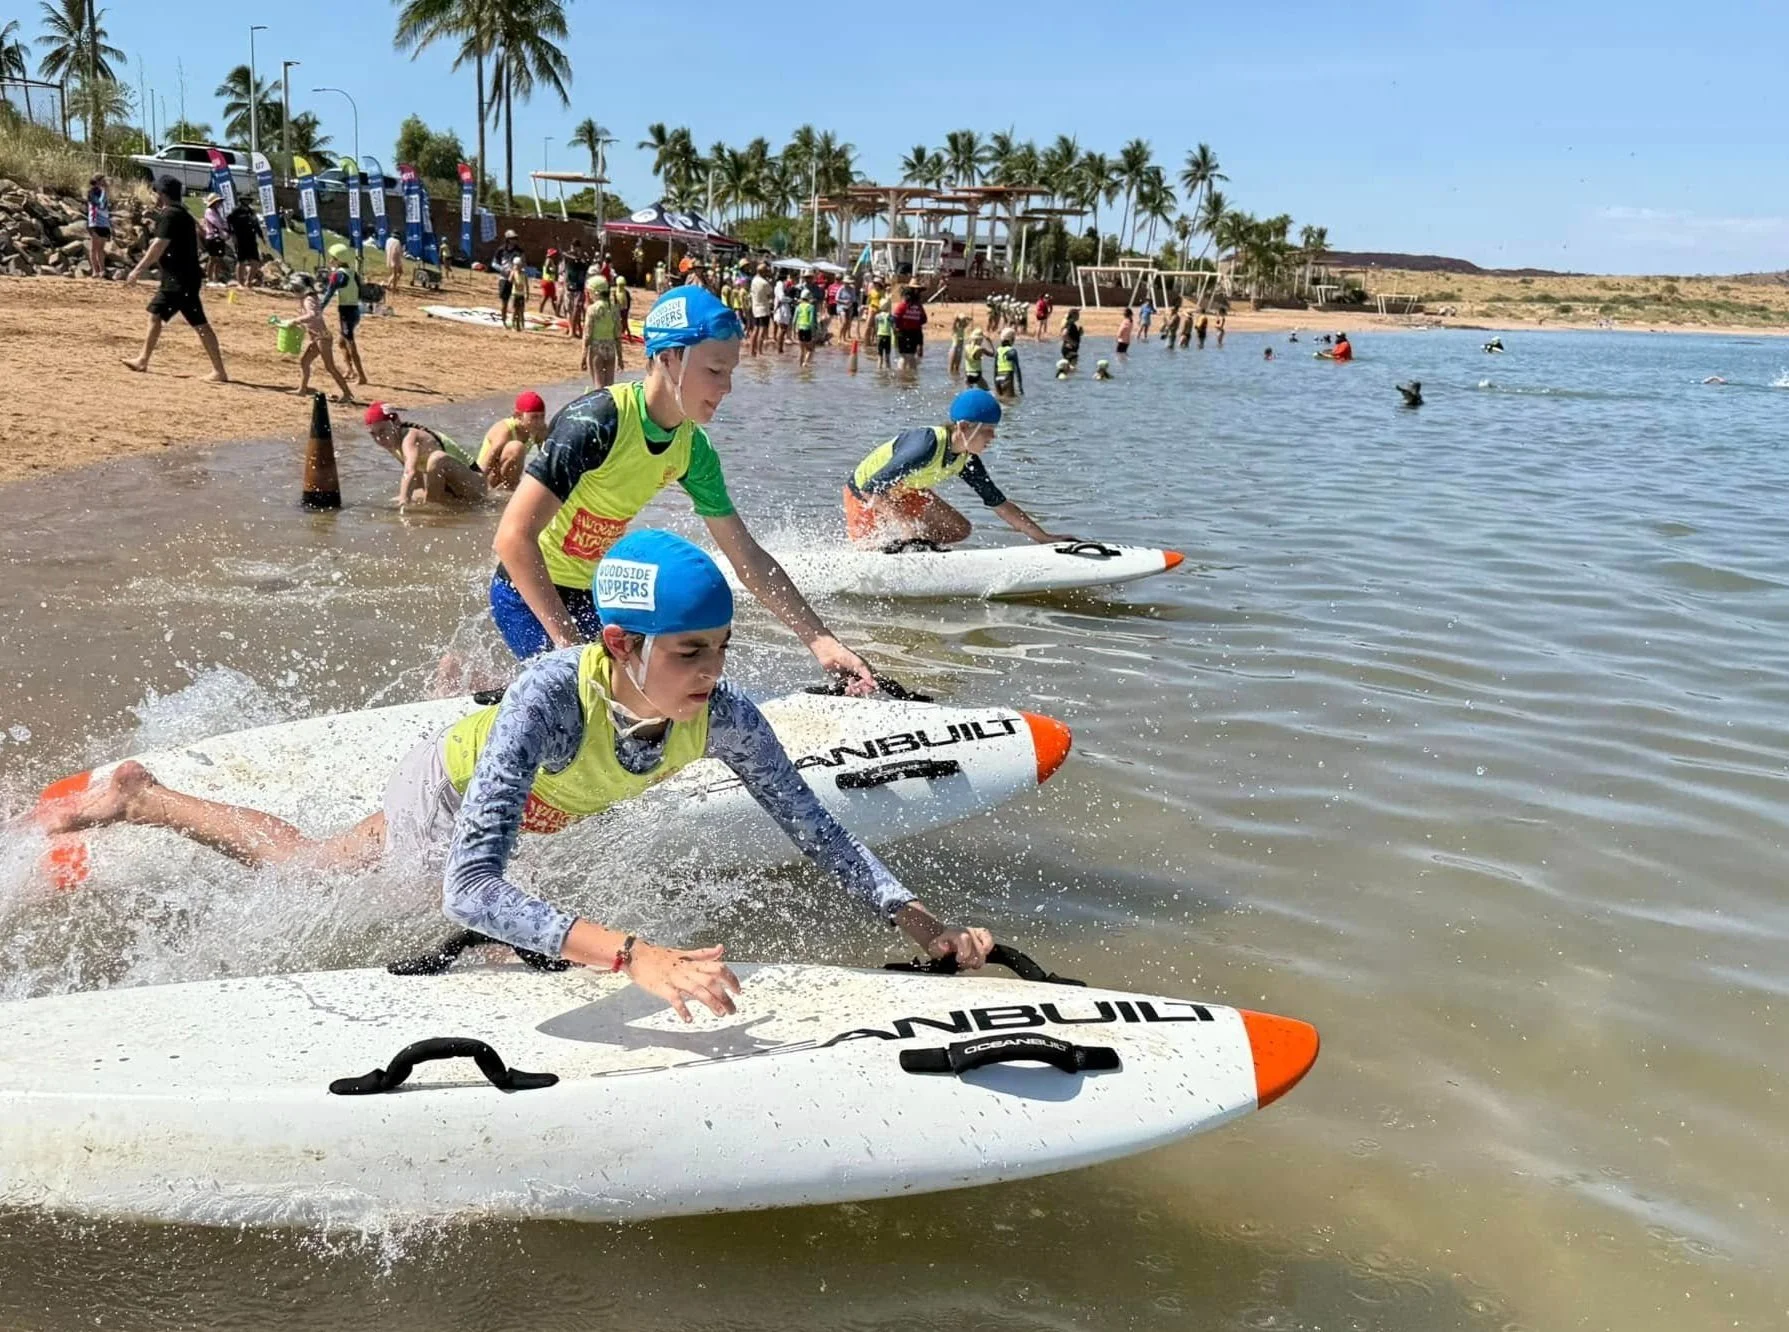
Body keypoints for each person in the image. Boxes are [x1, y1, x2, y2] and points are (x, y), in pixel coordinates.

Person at [35, 531, 999, 1018]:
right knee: (387, 903)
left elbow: (815, 828)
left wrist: (917, 921)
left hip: (523, 810)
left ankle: (141, 795)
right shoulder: (548, 697)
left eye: (721, 648)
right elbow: (472, 886)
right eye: (689, 653)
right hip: (445, 795)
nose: (713, 674)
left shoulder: (726, 716)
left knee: (327, 860)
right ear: (619, 643)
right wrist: (633, 956)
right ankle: (142, 799)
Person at [487, 285, 877, 692]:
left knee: (667, 692)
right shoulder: (596, 423)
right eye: (715, 371)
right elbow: (512, 538)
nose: (727, 387)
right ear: (668, 358)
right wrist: (570, 649)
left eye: (730, 372)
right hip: (527, 593)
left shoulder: (693, 449)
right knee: (590, 697)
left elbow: (747, 557)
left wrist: (821, 641)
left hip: (598, 596)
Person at [842, 389, 1075, 550]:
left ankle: (915, 550)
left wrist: (1044, 538)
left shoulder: (967, 459)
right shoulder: (925, 445)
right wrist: (907, 528)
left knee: (958, 529)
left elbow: (1000, 505)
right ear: (963, 427)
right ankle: (901, 546)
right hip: (863, 494)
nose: (993, 437)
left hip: (904, 491)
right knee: (871, 550)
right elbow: (871, 488)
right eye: (987, 431)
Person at [121, 177, 228, 383]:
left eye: (156, 193)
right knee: (198, 323)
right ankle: (218, 370)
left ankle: (143, 360)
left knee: (157, 314)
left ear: (162, 194)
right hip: (186, 277)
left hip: (178, 279)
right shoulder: (184, 215)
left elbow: (159, 245)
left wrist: (137, 270)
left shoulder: (169, 215)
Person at [365, 402, 485, 506]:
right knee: (396, 501)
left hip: (476, 485)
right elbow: (417, 483)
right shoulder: (392, 442)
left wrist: (404, 501)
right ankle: (435, 508)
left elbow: (409, 472)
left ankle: (433, 511)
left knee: (437, 458)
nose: (379, 438)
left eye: (382, 431)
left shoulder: (409, 438)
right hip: (453, 488)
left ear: (396, 423)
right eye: (373, 434)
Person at [286, 273, 359, 404]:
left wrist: (295, 320)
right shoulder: (309, 298)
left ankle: (347, 394)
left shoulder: (308, 299)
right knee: (304, 362)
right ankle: (302, 389)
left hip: (322, 337)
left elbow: (312, 315)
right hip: (317, 337)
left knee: (330, 367)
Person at [478, 391, 551, 490]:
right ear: (518, 415)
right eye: (534, 417)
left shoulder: (539, 430)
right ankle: (508, 492)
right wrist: (477, 487)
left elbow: (547, 461)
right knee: (516, 447)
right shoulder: (505, 430)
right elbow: (484, 465)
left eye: (542, 416)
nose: (539, 422)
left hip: (507, 479)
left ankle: (511, 491)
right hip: (487, 478)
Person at [325, 244, 369, 386]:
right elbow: (360, 291)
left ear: (338, 260)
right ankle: (350, 370)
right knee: (341, 342)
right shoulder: (353, 273)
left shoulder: (338, 275)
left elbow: (329, 294)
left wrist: (318, 309)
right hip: (355, 311)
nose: (330, 260)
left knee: (350, 343)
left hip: (346, 312)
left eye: (332, 258)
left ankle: (362, 376)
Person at [583, 274, 624, 389]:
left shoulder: (592, 309)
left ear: (595, 292)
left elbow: (587, 334)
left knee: (598, 385)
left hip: (597, 348)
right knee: (610, 387)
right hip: (611, 348)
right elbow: (618, 334)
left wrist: (584, 356)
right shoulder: (614, 308)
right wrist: (620, 357)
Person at [227, 196, 263, 286]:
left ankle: (249, 281)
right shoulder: (236, 211)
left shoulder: (251, 211)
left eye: (249, 200)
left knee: (255, 261)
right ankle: (240, 282)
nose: (247, 201)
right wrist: (232, 234)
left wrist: (261, 235)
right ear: (242, 200)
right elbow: (229, 222)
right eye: (246, 200)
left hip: (251, 239)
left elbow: (256, 224)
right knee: (241, 261)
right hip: (241, 238)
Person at [892, 286, 928, 369]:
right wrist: (915, 322)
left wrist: (897, 328)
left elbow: (895, 318)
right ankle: (912, 375)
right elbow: (924, 319)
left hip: (903, 332)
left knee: (903, 356)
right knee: (911, 356)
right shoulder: (918, 306)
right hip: (915, 333)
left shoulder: (902, 306)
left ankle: (901, 374)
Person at [198, 193, 230, 283]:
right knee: (213, 258)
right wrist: (224, 227)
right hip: (213, 237)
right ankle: (210, 278)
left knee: (218, 259)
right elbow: (216, 223)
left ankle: (215, 277)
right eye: (218, 202)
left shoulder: (216, 212)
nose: (219, 204)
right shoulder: (209, 211)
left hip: (219, 237)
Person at [84, 174, 111, 280]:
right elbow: (100, 204)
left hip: (104, 223)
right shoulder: (91, 192)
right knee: (94, 248)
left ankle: (102, 271)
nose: (105, 183)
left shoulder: (103, 192)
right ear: (98, 181)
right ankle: (95, 271)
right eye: (103, 181)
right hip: (95, 222)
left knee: (101, 249)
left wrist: (105, 191)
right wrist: (104, 191)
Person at [564, 244, 591, 338]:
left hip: (579, 288)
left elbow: (587, 265)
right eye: (573, 247)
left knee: (576, 310)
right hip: (569, 287)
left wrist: (581, 258)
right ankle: (571, 330)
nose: (574, 249)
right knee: (569, 310)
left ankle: (574, 330)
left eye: (576, 247)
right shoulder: (569, 257)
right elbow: (565, 255)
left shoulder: (583, 260)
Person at [748, 262, 773, 356]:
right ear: (763, 272)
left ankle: (752, 351)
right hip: (763, 308)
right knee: (762, 330)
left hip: (755, 308)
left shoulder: (753, 280)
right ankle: (759, 351)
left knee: (755, 329)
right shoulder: (764, 283)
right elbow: (770, 294)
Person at [995, 329, 1024, 396]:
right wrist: (1020, 387)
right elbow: (1017, 369)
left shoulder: (998, 350)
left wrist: (996, 385)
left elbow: (995, 369)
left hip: (998, 379)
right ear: (1012, 339)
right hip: (1007, 378)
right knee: (1010, 400)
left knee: (1001, 399)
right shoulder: (1012, 351)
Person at [794, 287, 818, 367]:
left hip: (800, 329)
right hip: (807, 329)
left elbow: (794, 320)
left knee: (801, 350)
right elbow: (811, 321)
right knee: (810, 349)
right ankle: (805, 363)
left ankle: (800, 366)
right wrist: (813, 332)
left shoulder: (798, 306)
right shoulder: (811, 307)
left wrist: (794, 331)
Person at [506, 256, 529, 331]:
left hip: (521, 294)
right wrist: (512, 273)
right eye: (516, 265)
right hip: (515, 294)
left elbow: (527, 285)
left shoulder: (524, 274)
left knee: (521, 311)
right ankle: (513, 325)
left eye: (519, 265)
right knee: (514, 311)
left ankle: (520, 326)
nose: (518, 267)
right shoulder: (513, 273)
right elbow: (509, 281)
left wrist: (527, 294)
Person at [539, 247, 562, 317]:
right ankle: (541, 311)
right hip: (548, 281)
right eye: (554, 254)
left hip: (549, 281)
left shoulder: (550, 260)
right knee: (547, 297)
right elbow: (547, 270)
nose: (555, 255)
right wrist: (553, 272)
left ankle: (555, 313)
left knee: (552, 297)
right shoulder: (548, 260)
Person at [872, 302, 894, 368]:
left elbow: (876, 327)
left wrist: (874, 337)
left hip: (880, 336)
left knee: (880, 357)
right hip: (888, 336)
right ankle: (889, 371)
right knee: (887, 357)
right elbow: (893, 326)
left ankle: (879, 370)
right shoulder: (890, 316)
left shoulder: (877, 316)